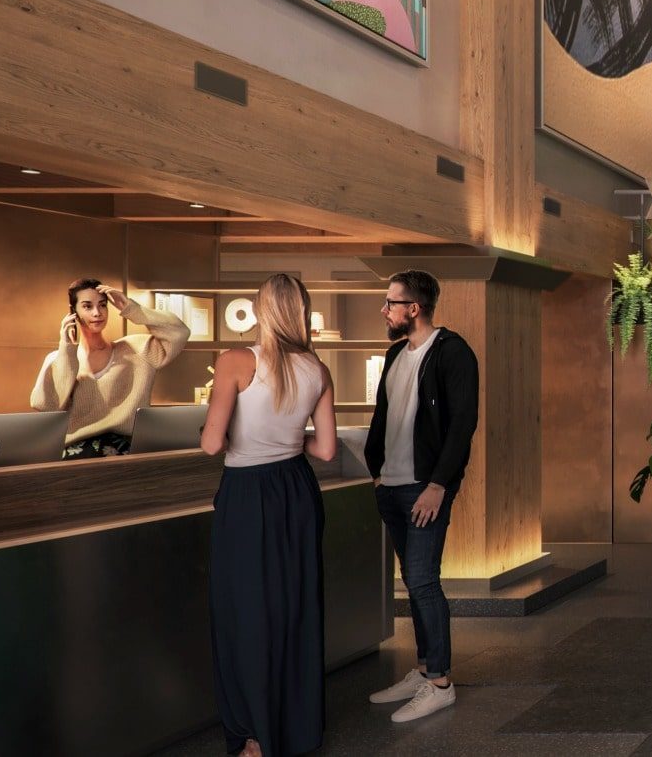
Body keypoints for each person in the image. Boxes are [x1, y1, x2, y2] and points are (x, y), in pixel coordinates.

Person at [201, 273, 339, 757]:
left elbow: (212, 442)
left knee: (244, 611)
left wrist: (249, 435)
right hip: (296, 490)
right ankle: (295, 728)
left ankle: (255, 736)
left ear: (260, 310)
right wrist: (286, 440)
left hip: (247, 493)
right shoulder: (317, 368)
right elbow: (325, 449)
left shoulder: (236, 361)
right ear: (301, 310)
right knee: (294, 607)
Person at [364, 270, 479, 724]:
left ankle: (440, 684)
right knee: (413, 581)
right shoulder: (396, 355)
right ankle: (424, 668)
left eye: (391, 302)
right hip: (391, 486)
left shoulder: (453, 353)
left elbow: (462, 425)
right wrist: (376, 474)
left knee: (424, 579)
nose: (385, 310)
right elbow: (384, 419)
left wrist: (438, 485)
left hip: (424, 488)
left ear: (413, 308)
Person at [32, 277, 191, 457]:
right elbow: (47, 407)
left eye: (102, 305)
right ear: (72, 312)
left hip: (128, 451)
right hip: (77, 454)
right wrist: (66, 349)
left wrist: (132, 309)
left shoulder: (137, 349)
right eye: (87, 306)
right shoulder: (57, 359)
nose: (97, 312)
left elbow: (180, 332)